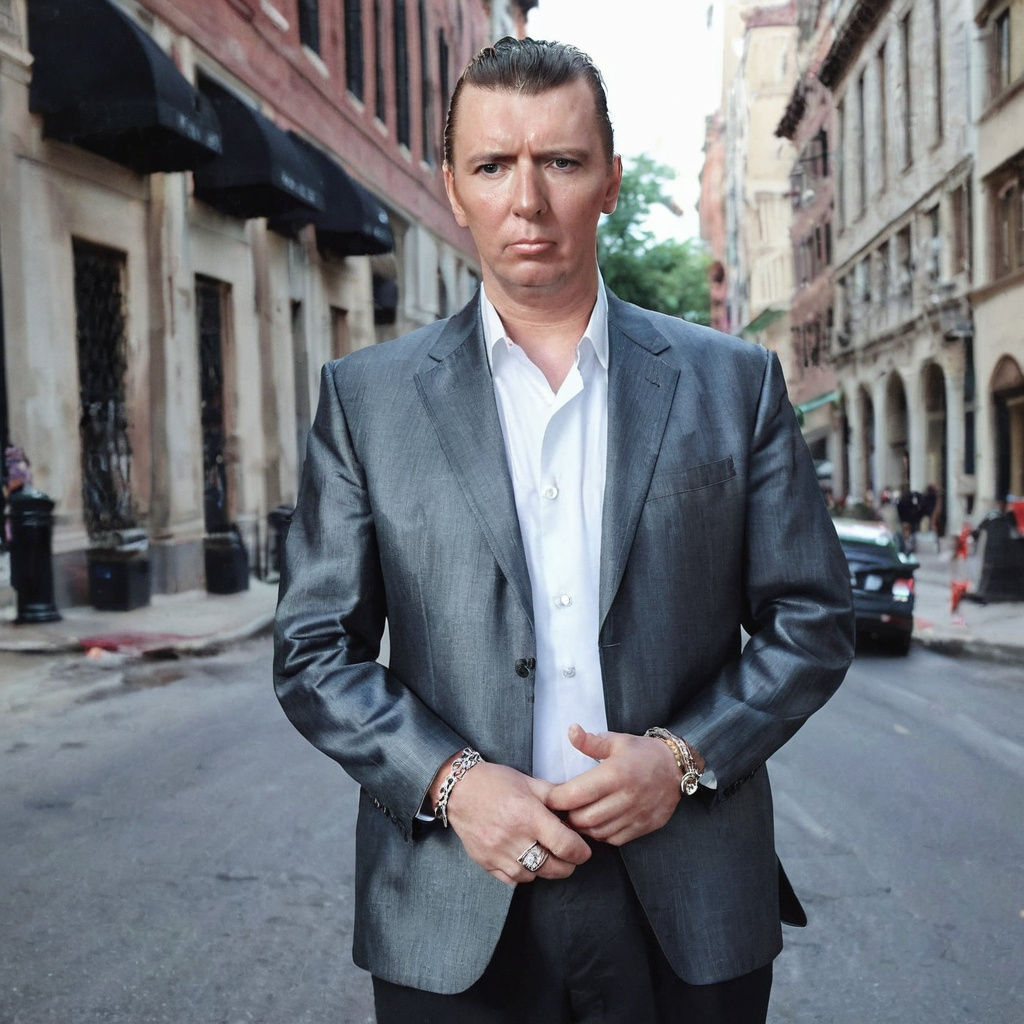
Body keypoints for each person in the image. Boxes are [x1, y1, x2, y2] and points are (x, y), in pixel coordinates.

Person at [274, 37, 855, 1024]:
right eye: (494, 165)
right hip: (452, 898)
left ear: (611, 183)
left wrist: (681, 758)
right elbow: (313, 648)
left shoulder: (733, 384)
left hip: (688, 897)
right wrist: (451, 783)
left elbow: (812, 617)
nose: (528, 200)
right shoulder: (365, 401)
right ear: (453, 188)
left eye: (562, 161)